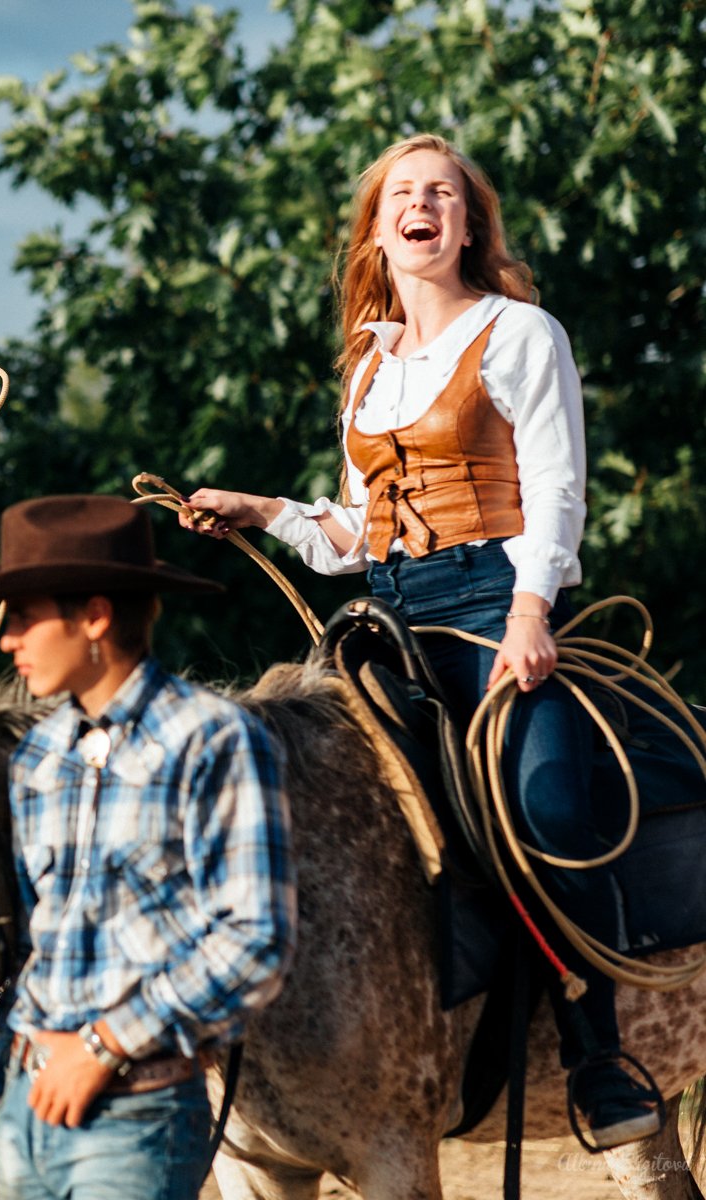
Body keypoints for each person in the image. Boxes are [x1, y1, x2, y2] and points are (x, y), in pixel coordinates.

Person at [177, 133, 656, 1147]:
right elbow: (354, 537)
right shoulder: (369, 368)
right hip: (388, 620)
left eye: (443, 192)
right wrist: (264, 511)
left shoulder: (521, 332)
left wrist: (531, 613)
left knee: (549, 807)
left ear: (467, 226)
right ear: (379, 228)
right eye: (403, 192)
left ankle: (600, 1057)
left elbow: (559, 485)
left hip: (495, 603)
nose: (422, 203)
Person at [0, 495, 294, 1200]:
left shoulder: (213, 740)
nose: (7, 640)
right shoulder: (41, 760)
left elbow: (255, 940)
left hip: (136, 1115)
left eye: (24, 616)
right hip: (27, 1116)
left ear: (93, 618)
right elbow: (41, 962)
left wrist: (102, 1046)